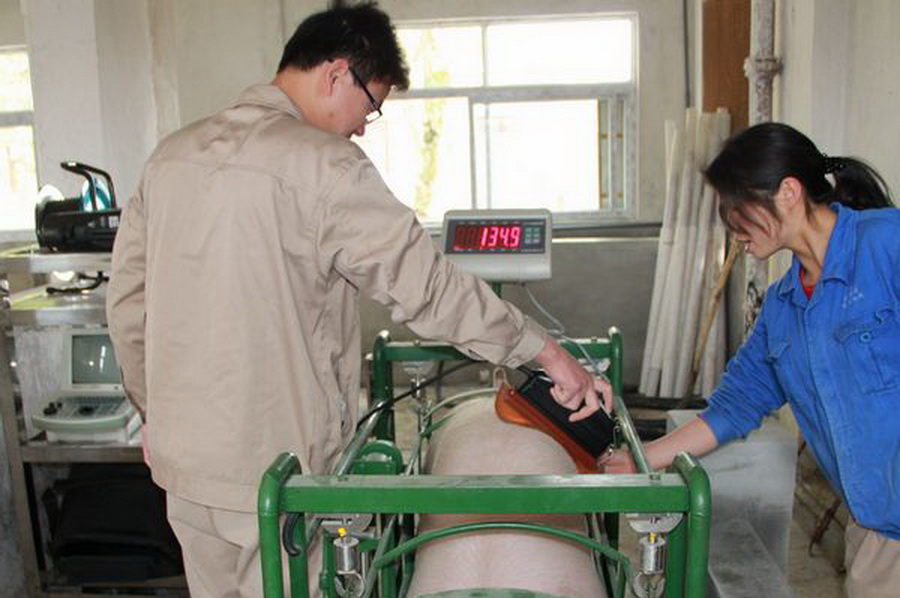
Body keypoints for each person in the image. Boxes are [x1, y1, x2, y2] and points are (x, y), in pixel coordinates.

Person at [106, 3, 610, 598]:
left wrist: (157, 413)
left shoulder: (170, 156)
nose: (365, 126)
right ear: (336, 74)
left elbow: (129, 306)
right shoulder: (326, 166)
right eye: (372, 106)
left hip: (185, 466)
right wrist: (546, 353)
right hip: (277, 473)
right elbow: (428, 288)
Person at [602, 122, 899, 598]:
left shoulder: (884, 245)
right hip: (878, 531)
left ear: (788, 193)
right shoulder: (782, 309)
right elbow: (732, 407)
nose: (730, 224)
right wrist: (641, 460)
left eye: (737, 206)